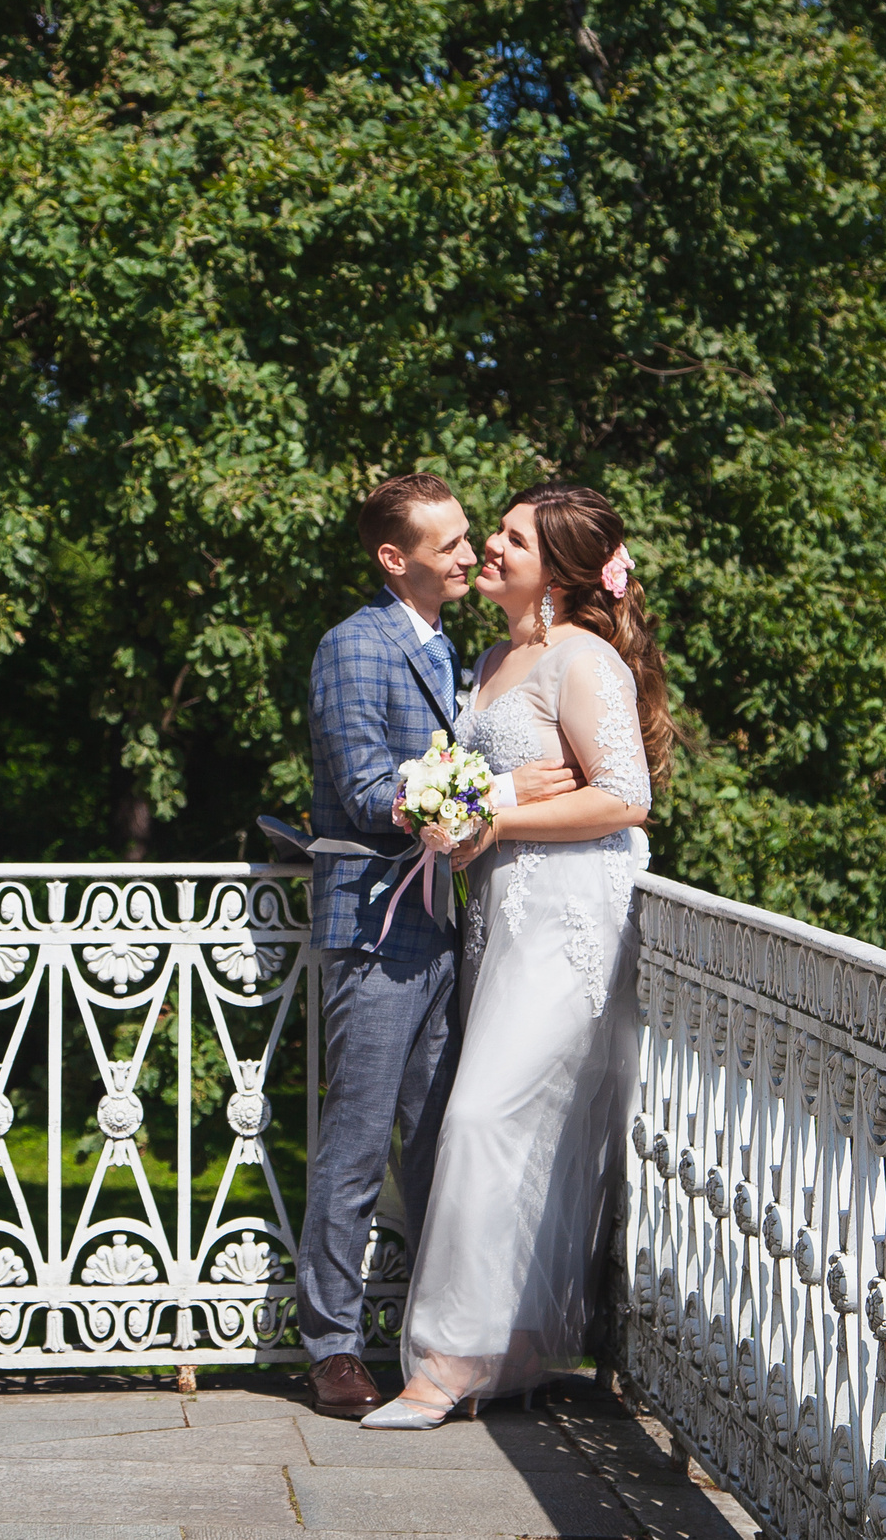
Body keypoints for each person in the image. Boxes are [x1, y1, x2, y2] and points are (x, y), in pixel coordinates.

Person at [360, 481, 675, 1428]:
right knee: (512, 1127)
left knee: (485, 1118)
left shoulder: (581, 660)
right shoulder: (494, 656)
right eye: (494, 534)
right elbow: (497, 792)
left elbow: (626, 797)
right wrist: (468, 817)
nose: (488, 548)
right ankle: (525, 1343)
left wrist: (493, 812)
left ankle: (446, 1363)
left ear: (560, 572)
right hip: (500, 914)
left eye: (511, 539)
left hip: (572, 916)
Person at [299, 473, 583, 1420]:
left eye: (472, 539)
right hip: (376, 921)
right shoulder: (352, 645)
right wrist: (505, 795)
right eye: (451, 543)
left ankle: (435, 1341)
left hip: (438, 923)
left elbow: (438, 780)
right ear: (396, 558)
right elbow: (371, 786)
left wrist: (487, 799)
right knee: (357, 1138)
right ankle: (332, 1345)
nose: (470, 555)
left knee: (434, 1140)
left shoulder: (448, 644)